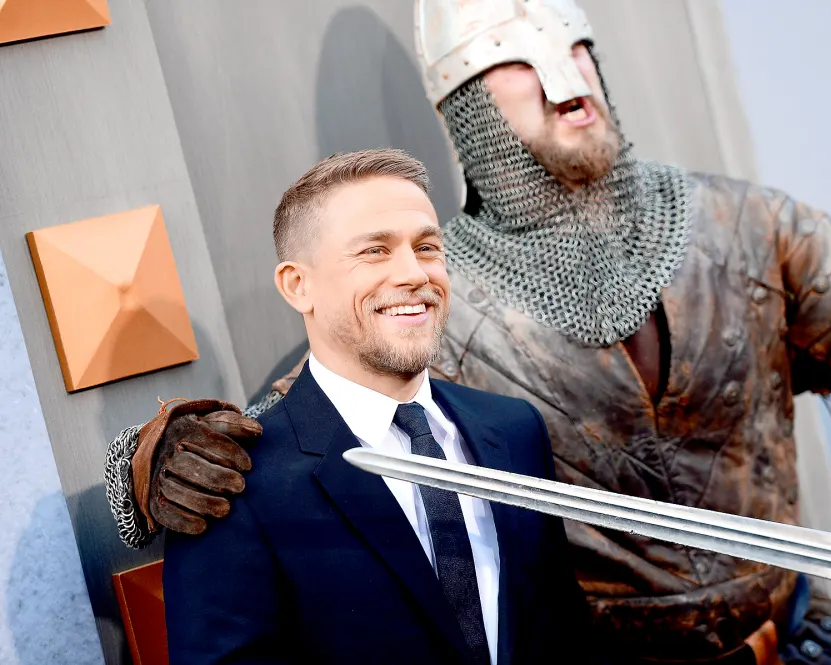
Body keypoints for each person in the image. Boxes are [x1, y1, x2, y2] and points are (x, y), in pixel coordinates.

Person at [106, 1, 831, 663]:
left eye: (576, 47)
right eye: (517, 61)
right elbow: (293, 437)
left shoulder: (739, 224)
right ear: (465, 104)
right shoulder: (436, 298)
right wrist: (152, 465)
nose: (566, 77)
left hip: (806, 637)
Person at [162, 149, 597, 665]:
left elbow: (562, 633)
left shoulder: (514, 429)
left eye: (427, 246)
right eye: (374, 251)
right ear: (298, 285)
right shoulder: (231, 483)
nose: (414, 273)